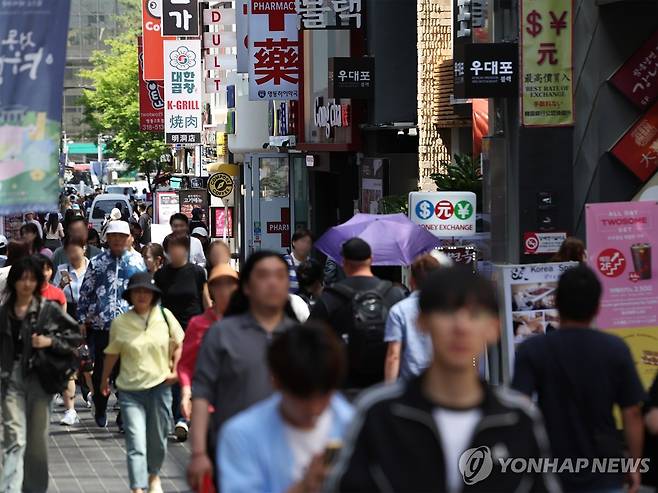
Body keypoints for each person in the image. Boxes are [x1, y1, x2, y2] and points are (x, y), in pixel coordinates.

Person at [326, 267, 558, 492]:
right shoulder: (379, 413)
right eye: (447, 311)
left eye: (475, 314)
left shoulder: (517, 419)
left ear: (494, 328)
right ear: (422, 322)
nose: (461, 327)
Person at [513, 264, 645, 492]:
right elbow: (632, 412)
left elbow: (519, 408)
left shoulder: (532, 350)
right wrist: (634, 465)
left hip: (549, 469)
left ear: (558, 304)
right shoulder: (615, 349)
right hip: (605, 470)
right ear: (597, 307)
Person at [188, 251, 296, 491]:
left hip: (287, 450)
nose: (272, 282)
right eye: (263, 276)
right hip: (232, 449)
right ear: (246, 287)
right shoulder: (221, 334)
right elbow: (202, 393)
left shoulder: (298, 336)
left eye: (280, 276)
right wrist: (198, 453)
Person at [218, 324, 353, 493]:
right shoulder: (242, 435)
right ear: (276, 382)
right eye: (303, 398)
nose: (314, 409)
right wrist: (304, 487)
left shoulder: (353, 425)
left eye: (323, 397)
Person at [0, 257, 81, 493]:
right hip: (10, 379)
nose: (26, 284)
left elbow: (74, 336)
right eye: (22, 279)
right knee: (14, 438)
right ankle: (9, 489)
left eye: (31, 279)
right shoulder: (4, 312)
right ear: (13, 281)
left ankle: (33, 489)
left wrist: (49, 341)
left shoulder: (48, 309)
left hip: (40, 379)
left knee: (36, 443)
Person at [100, 272, 184, 493]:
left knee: (158, 439)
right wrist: (104, 381)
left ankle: (153, 475)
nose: (141, 295)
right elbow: (112, 354)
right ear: (130, 295)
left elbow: (180, 343)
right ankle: (137, 488)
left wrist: (176, 370)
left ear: (154, 294)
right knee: (136, 442)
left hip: (160, 387)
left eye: (146, 291)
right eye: (137, 291)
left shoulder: (165, 316)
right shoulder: (121, 322)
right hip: (130, 391)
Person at [310, 238, 406, 390]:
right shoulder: (394, 294)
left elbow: (310, 342)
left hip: (343, 387)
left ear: (344, 263)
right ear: (371, 260)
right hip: (385, 384)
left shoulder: (330, 298)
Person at [78, 220, 147, 428]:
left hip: (130, 327)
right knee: (101, 372)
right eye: (113, 236)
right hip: (102, 327)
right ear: (106, 238)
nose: (117, 239)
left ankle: (125, 416)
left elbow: (146, 292)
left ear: (129, 238)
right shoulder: (97, 262)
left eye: (121, 236)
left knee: (127, 372)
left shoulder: (138, 262)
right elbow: (85, 292)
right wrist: (82, 318)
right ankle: (100, 406)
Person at [154, 232, 209, 441]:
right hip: (170, 331)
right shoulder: (161, 276)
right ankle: (181, 418)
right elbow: (156, 304)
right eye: (170, 248)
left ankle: (186, 417)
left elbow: (205, 300)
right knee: (177, 373)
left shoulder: (197, 272)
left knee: (192, 373)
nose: (174, 252)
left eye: (179, 247)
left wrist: (211, 323)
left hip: (194, 329)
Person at [178, 264, 239, 423]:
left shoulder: (248, 323)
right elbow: (185, 365)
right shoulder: (198, 324)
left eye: (230, 284)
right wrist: (186, 393)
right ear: (211, 290)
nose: (224, 290)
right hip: (208, 407)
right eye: (218, 285)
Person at [53, 235, 92, 425]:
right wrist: (61, 285)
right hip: (67, 317)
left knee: (88, 363)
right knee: (68, 365)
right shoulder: (61, 270)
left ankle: (93, 394)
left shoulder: (93, 268)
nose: (72, 253)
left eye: (76, 248)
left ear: (84, 249)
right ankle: (71, 410)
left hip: (89, 319)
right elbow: (52, 293)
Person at [384, 254, 440, 382]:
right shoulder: (449, 309)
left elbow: (394, 355)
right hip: (441, 383)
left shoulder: (399, 310)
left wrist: (389, 388)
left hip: (409, 384)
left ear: (411, 280)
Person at [283, 229, 313, 293]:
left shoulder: (313, 264)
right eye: (302, 241)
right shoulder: (283, 262)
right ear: (293, 242)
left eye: (308, 242)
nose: (305, 245)